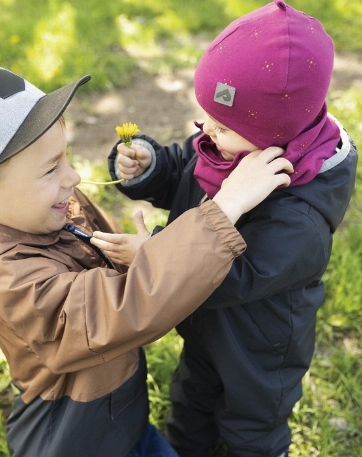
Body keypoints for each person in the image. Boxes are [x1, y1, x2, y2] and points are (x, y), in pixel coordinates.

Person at [0, 62, 293, 457]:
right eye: (50, 169)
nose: (73, 177)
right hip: (78, 440)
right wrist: (225, 207)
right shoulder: (10, 279)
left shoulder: (39, 206)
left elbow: (117, 274)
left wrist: (143, 256)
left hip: (119, 418)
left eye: (65, 157)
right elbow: (123, 308)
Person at [99, 1, 358, 456]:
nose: (206, 130)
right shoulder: (228, 143)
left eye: (221, 125)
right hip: (202, 326)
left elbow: (235, 275)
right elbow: (186, 172)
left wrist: (154, 254)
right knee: (191, 403)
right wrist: (152, 164)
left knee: (249, 428)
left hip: (259, 351)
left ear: (275, 133)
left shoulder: (298, 216)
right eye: (207, 118)